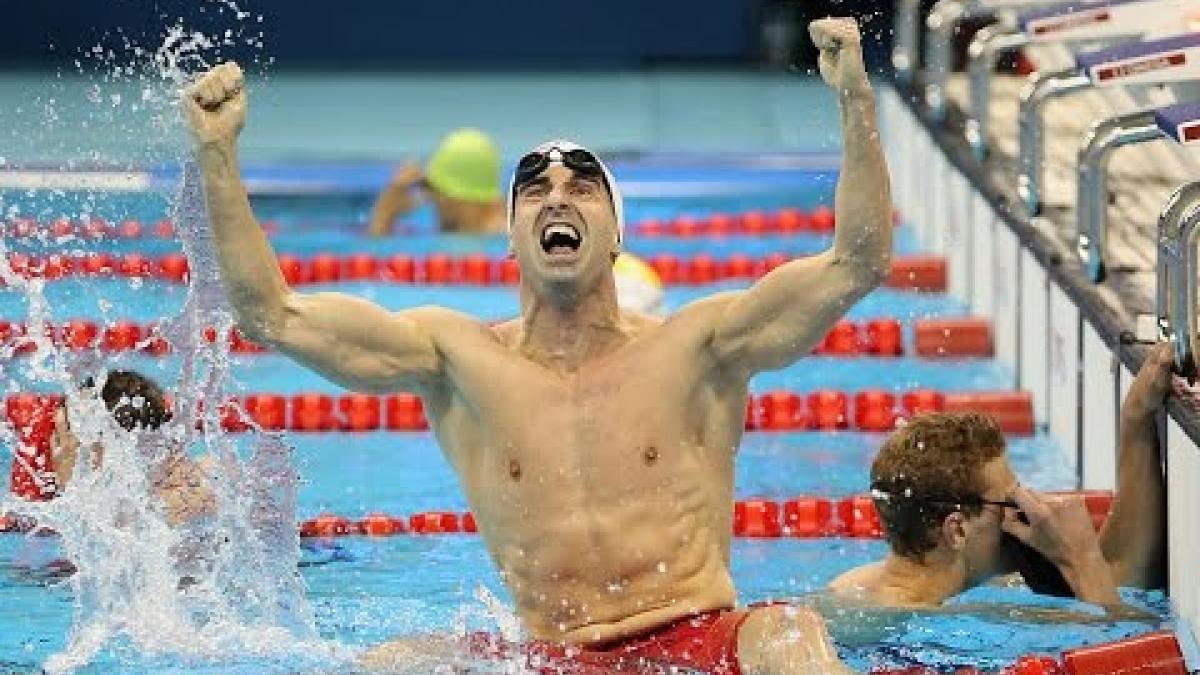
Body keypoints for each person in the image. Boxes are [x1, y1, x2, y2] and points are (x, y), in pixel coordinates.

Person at [184, 16, 891, 674]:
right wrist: (218, 154)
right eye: (535, 190)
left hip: (694, 637)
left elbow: (855, 262)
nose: (557, 197)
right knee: (394, 661)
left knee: (789, 631)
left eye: (583, 188)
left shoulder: (700, 344)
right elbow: (271, 313)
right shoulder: (453, 358)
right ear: (512, 241)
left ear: (616, 236)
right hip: (549, 655)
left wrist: (856, 98)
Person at [829, 344, 1173, 610]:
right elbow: (1123, 649)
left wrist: (1135, 420)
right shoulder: (934, 629)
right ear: (958, 529)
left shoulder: (951, 588)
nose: (1024, 511)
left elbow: (1122, 578)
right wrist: (1079, 557)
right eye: (1009, 501)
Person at [368, 127, 667, 313]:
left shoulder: (477, 241)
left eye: (435, 190)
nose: (431, 200)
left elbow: (379, 270)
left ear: (456, 193)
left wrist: (382, 218)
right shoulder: (510, 220)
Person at [368, 127, 507, 237]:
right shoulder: (512, 227)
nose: (430, 198)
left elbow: (375, 253)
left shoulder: (470, 243)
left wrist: (383, 215)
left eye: (433, 189)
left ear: (453, 195)